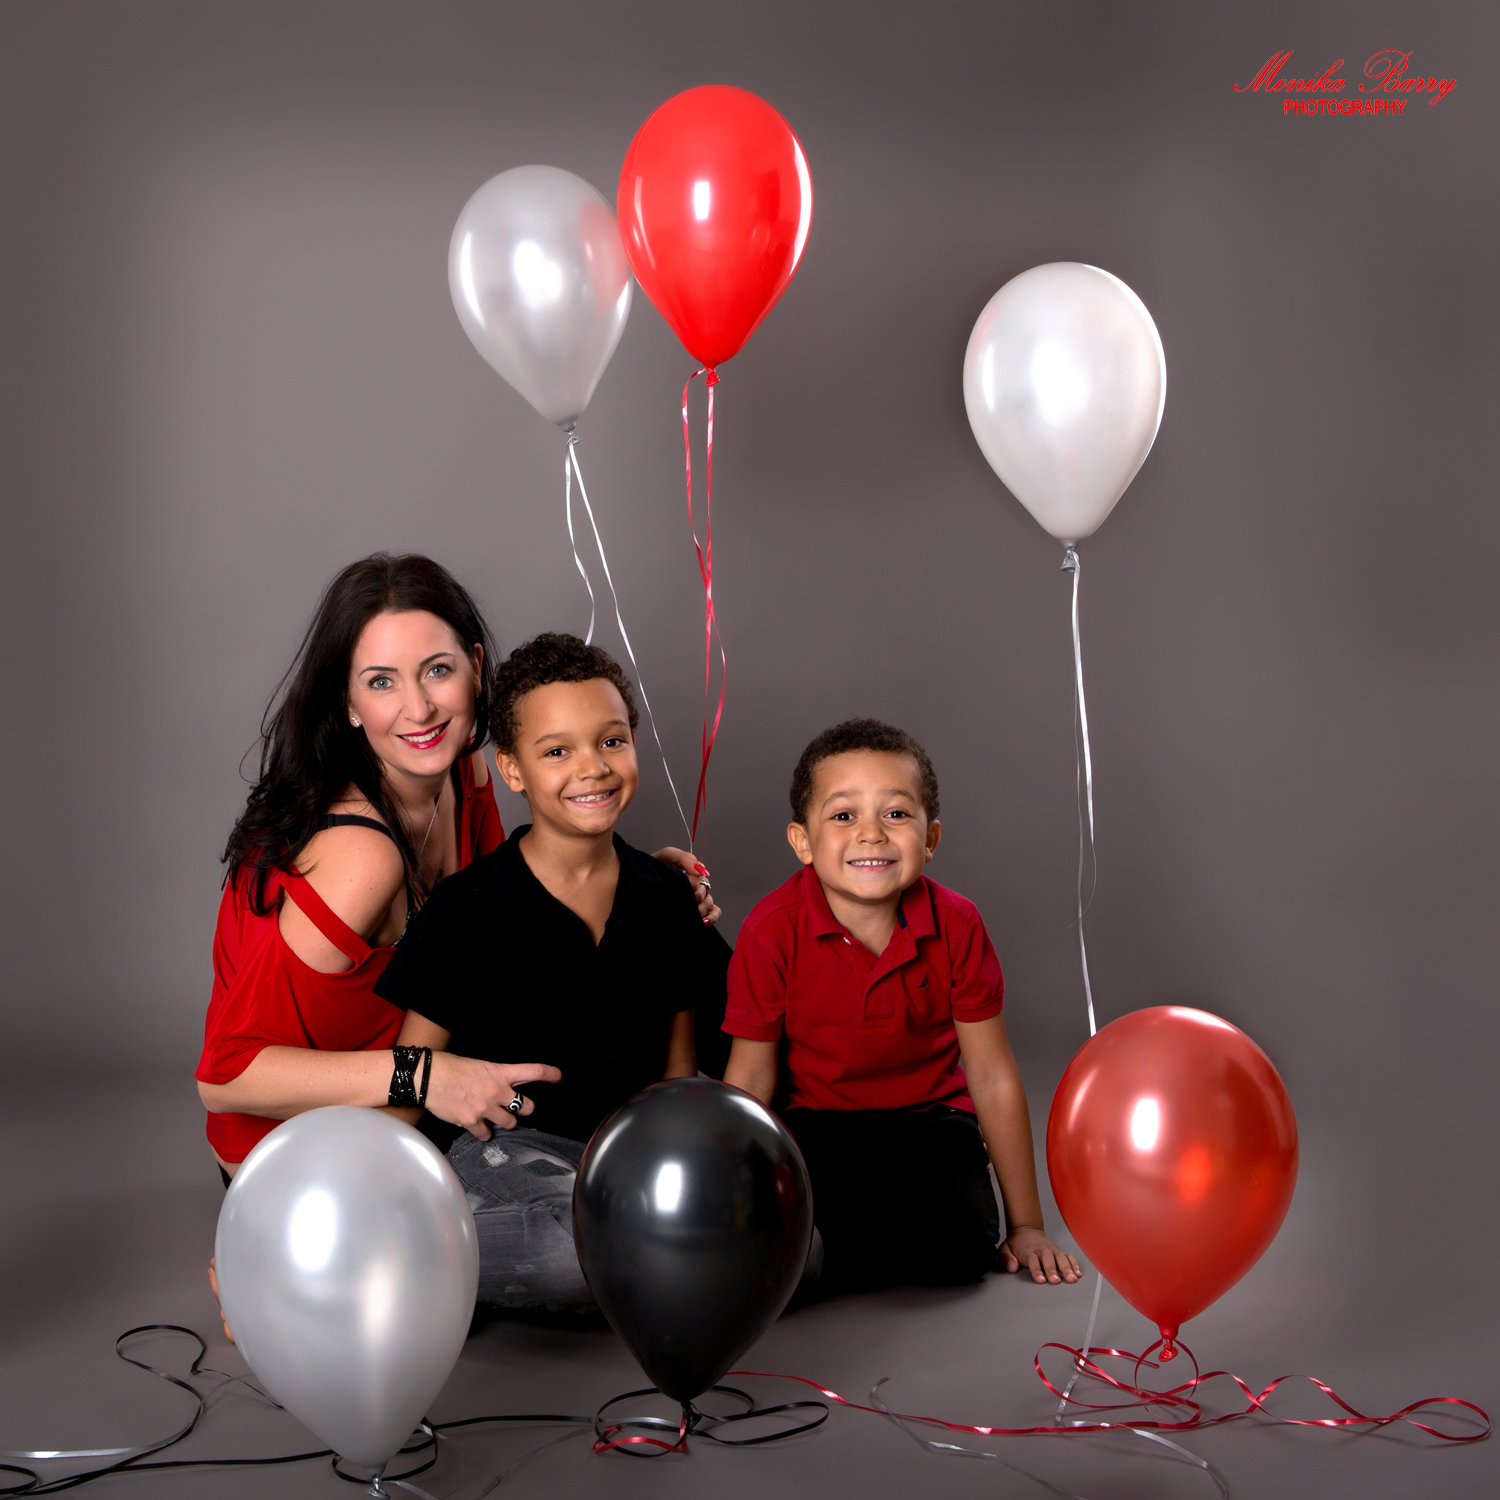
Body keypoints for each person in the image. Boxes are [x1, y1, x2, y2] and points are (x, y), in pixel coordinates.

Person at [196, 558, 716, 1181]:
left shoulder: (464, 773)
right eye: (382, 682)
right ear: (348, 703)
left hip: (424, 1098)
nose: (419, 709)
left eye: (437, 670)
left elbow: (506, 908)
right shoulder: (361, 858)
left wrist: (629, 881)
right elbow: (224, 1077)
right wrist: (425, 1075)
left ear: (474, 666)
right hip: (303, 1150)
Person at [376, 633, 731, 1312]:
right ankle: (413, 1250)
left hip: (625, 1153)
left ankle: (645, 1256)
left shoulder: (667, 895)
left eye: (612, 741)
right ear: (512, 770)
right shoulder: (466, 908)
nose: (593, 768)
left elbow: (678, 1077)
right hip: (502, 1153)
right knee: (568, 1252)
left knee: (792, 1243)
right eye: (558, 751)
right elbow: (408, 1074)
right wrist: (373, 1190)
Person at [722, 719, 1081, 1295]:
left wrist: (1028, 1226)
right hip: (817, 1125)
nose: (871, 835)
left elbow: (991, 1074)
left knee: (964, 1252)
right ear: (803, 841)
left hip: (930, 1121)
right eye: (844, 816)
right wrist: (723, 1198)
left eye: (895, 814)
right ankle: (823, 1244)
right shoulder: (770, 930)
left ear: (930, 838)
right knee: (772, 1239)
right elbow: (750, 1077)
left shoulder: (958, 924)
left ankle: (847, 1247)